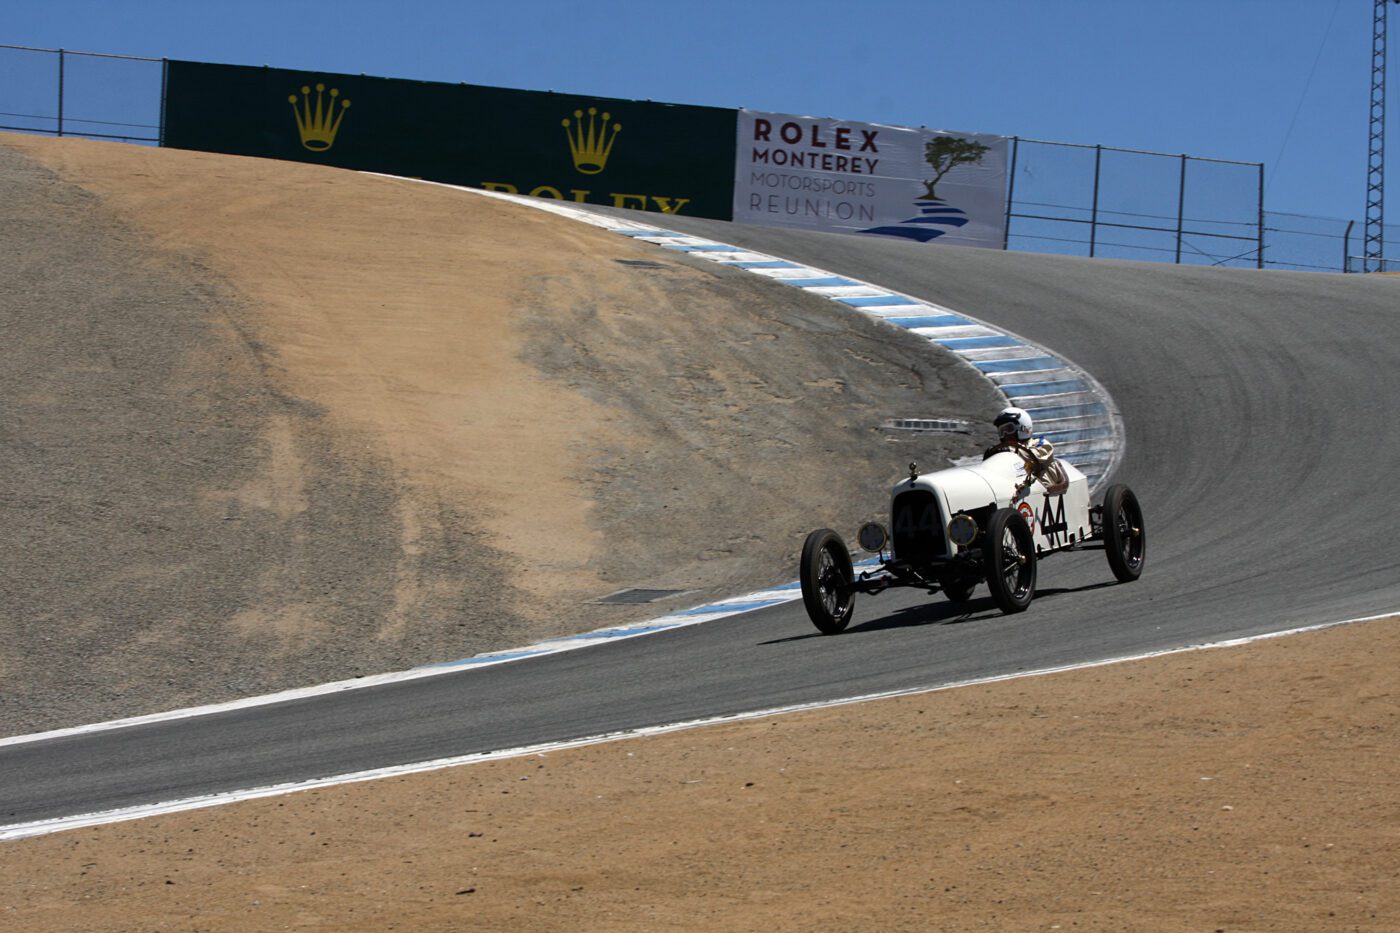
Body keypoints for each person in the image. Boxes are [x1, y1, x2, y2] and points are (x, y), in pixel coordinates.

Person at [983, 406, 1068, 495]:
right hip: (1017, 490)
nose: (1005, 435)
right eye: (1001, 431)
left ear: (1024, 427)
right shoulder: (1004, 450)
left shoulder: (1041, 443)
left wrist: (1008, 450)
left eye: (1009, 429)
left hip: (1044, 492)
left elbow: (1034, 456)